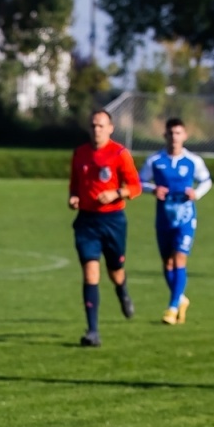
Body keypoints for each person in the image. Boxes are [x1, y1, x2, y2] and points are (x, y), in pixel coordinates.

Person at [69, 109, 141, 347]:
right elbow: (75, 185)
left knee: (115, 271)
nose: (96, 130)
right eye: (93, 126)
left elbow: (136, 186)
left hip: (113, 221)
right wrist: (74, 198)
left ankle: (122, 290)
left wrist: (116, 193)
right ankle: (92, 331)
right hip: (87, 222)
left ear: (110, 128)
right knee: (90, 272)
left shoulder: (120, 153)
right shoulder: (79, 153)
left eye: (101, 126)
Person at [142, 118, 211, 325]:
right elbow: (138, 181)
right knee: (167, 263)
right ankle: (181, 300)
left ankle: (171, 308)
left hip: (186, 218)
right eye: (171, 133)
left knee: (179, 260)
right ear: (165, 136)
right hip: (164, 218)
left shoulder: (193, 161)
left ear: (185, 136)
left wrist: (196, 193)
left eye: (178, 133)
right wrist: (152, 189)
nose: (174, 137)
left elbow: (207, 180)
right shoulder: (155, 161)